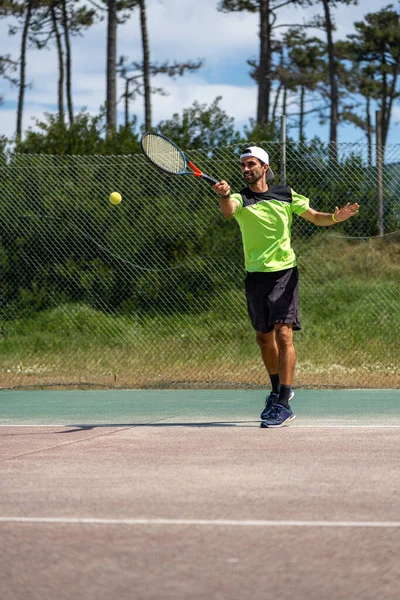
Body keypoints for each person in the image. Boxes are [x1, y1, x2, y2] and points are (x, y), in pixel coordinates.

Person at [213, 146, 359, 428]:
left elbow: (315, 216)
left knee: (283, 334)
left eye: (251, 164)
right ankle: (276, 389)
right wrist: (223, 195)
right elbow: (229, 211)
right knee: (263, 339)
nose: (245, 169)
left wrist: (334, 218)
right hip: (255, 276)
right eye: (242, 165)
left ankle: (283, 402)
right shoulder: (240, 198)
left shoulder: (285, 194)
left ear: (264, 167)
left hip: (285, 274)